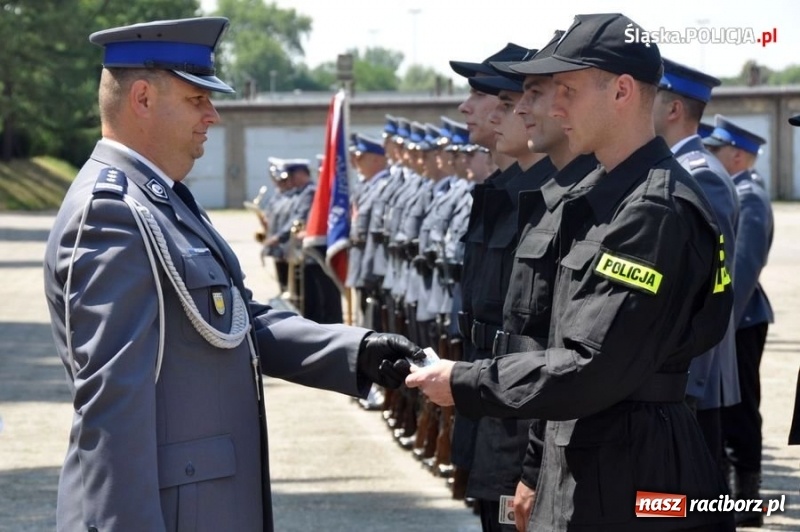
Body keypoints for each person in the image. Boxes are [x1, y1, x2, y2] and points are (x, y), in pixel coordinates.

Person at [42, 17, 422, 532]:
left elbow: (236, 321)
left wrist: (357, 350)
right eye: (197, 99)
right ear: (142, 99)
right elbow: (112, 413)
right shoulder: (113, 214)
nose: (213, 116)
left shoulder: (164, 201)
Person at [407, 13, 735, 531]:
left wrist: (465, 380)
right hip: (585, 456)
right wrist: (536, 468)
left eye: (567, 90)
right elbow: (552, 343)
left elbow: (589, 367)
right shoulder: (604, 197)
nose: (553, 107)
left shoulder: (652, 209)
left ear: (622, 90)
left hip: (636, 472)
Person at [653, 58, 741, 473]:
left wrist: (693, 379)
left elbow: (713, 287)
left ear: (673, 110)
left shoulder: (700, 176)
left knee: (699, 501)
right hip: (678, 371)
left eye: (651, 98)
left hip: (692, 374)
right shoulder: (676, 170)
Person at [704, 115, 774, 527]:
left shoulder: (750, 196)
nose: (713, 156)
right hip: (735, 319)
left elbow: (742, 269)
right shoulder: (739, 191)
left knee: (742, 411)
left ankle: (747, 503)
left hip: (741, 319)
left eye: (719, 150)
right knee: (732, 411)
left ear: (739, 154)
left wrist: (720, 323)